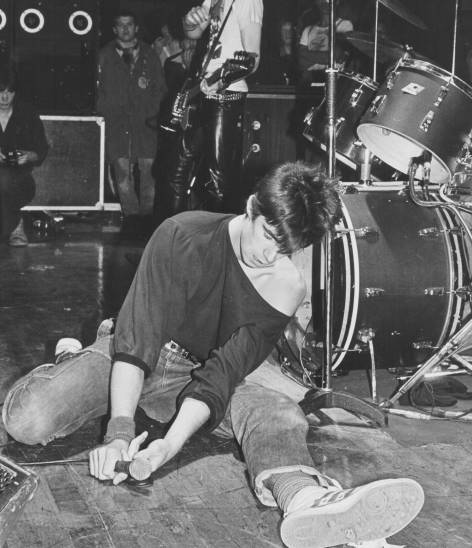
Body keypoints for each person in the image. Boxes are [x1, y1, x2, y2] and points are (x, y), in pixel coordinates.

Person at [3, 161, 424, 548]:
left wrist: (167, 447)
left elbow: (221, 376)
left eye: (286, 249)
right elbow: (137, 341)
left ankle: (305, 497)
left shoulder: (285, 285)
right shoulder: (182, 234)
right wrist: (118, 432)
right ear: (251, 207)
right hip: (133, 352)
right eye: (269, 237)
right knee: (28, 420)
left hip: (196, 375)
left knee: (275, 410)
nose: (269, 255)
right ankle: (70, 358)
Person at [165, 0, 263, 216]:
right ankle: (172, 243)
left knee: (217, 181)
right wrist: (189, 22)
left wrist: (217, 82)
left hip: (225, 96)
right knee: (175, 171)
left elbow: (252, 60)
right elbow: (194, 34)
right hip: (201, 92)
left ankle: (218, 249)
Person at [96, 11, 167, 225]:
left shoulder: (150, 54)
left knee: (149, 176)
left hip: (146, 127)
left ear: (136, 28)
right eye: (120, 24)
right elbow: (97, 91)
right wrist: (107, 111)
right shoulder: (104, 55)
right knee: (122, 176)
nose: (125, 29)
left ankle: (147, 222)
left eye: (129, 24)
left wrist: (151, 112)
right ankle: (132, 221)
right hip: (117, 127)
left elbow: (161, 89)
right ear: (114, 29)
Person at [0, 65, 48, 247]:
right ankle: (16, 224)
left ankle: (15, 227)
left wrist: (29, 156)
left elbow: (41, 150)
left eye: (9, 92)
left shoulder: (27, 114)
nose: (5, 97)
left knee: (4, 181)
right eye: (0, 92)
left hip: (21, 180)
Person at [298, 0, 353, 85]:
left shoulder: (344, 25)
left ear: (336, 1)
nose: (325, 1)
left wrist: (310, 57)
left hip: (335, 83)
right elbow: (301, 60)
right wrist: (325, 57)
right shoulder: (308, 30)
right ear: (316, 1)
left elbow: (336, 55)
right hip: (311, 83)